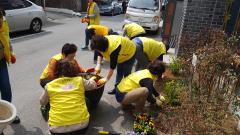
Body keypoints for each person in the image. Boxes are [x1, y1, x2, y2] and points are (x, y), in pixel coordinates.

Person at [40, 59, 97, 135]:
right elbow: (93, 85)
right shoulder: (79, 80)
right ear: (73, 70)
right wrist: (92, 80)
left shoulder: (50, 85)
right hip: (82, 127)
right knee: (86, 101)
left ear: (57, 71)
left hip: (57, 130)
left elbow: (42, 102)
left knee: (47, 105)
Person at [0, 9, 20, 124]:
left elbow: (7, 37)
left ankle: (8, 114)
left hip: (2, 62)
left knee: (6, 88)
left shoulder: (4, 22)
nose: (1, 23)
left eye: (1, 21)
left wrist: (11, 53)